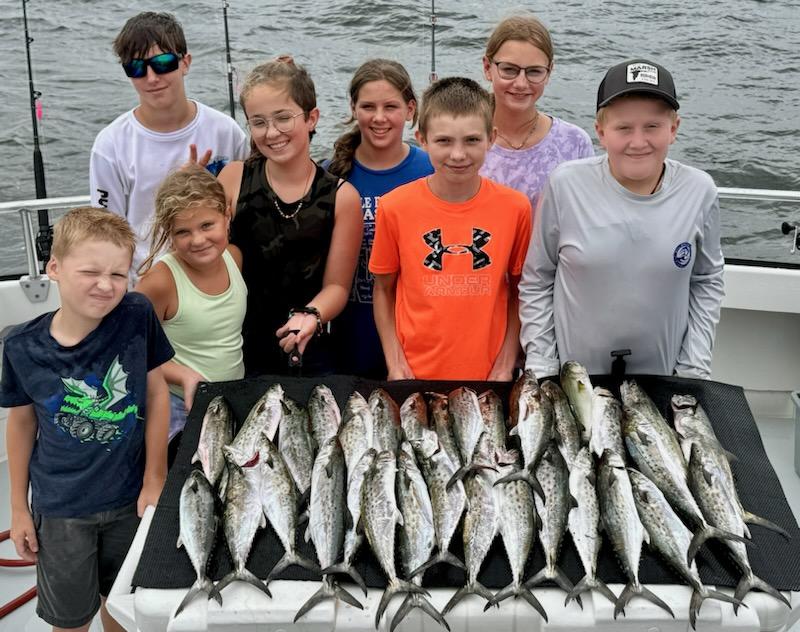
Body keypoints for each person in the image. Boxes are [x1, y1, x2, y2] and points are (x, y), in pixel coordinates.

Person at [0, 207, 173, 632]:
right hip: (60, 510)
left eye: (118, 274)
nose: (106, 285)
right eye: (90, 271)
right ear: (54, 268)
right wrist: (19, 510)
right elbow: (21, 425)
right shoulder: (20, 346)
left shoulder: (137, 315)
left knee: (123, 609)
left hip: (130, 500)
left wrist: (155, 478)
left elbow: (155, 393)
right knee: (70, 620)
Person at [519, 59, 725, 378]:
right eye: (623, 128)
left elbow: (706, 280)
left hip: (667, 377)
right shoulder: (564, 185)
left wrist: (693, 367)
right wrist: (543, 365)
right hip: (573, 379)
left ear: (674, 128)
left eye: (652, 126)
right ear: (601, 131)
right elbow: (537, 279)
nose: (638, 142)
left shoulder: (700, 190)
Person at [369, 77, 532, 381]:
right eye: (444, 141)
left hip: (490, 374)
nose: (458, 154)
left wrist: (506, 362)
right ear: (422, 138)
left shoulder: (516, 208)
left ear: (491, 138)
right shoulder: (394, 207)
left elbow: (518, 291)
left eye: (472, 140)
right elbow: (383, 289)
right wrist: (395, 363)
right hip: (414, 372)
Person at [218, 56, 362, 376]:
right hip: (238, 346)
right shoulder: (232, 177)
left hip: (310, 347)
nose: (272, 133)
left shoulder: (342, 197)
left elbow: (337, 286)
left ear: (312, 118)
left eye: (283, 118)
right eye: (258, 122)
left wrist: (311, 315)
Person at [89, 11, 248, 277]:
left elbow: (246, 208)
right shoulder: (110, 145)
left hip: (219, 278)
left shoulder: (226, 131)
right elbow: (107, 232)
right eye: (136, 68)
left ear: (185, 63)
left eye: (162, 63)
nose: (151, 78)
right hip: (147, 284)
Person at [326, 59, 434, 378]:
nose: (379, 117)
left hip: (416, 336)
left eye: (391, 106)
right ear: (353, 108)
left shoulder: (432, 169)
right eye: (368, 106)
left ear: (410, 109)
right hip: (350, 334)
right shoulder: (331, 174)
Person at [135, 165, 246, 450]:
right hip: (177, 408)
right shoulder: (160, 281)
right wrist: (182, 375)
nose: (198, 240)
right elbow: (132, 351)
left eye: (207, 225)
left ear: (227, 216)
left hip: (231, 398)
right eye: (183, 231)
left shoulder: (235, 258)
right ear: (168, 233)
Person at [480, 15, 594, 209]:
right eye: (509, 69)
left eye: (534, 71)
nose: (521, 83)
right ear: (487, 68)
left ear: (549, 72)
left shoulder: (575, 142)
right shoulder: (464, 141)